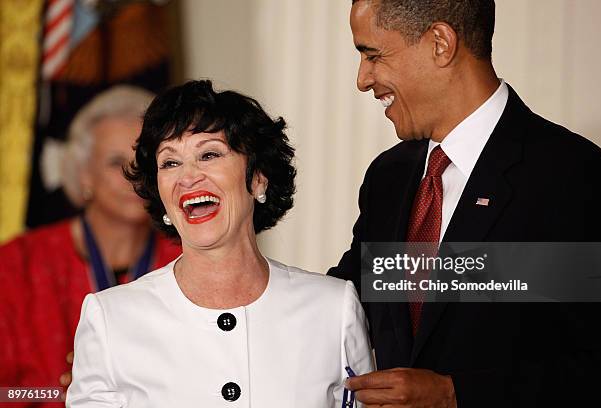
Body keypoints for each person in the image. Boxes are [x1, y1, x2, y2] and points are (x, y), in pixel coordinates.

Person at [329, 0, 601, 407]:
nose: (362, 79)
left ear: (440, 43)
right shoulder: (388, 177)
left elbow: (597, 363)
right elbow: (347, 302)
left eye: (373, 55)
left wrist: (455, 394)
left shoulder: (568, 175)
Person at [66, 79, 374, 407]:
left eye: (209, 154)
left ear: (258, 178)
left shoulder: (333, 307)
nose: (187, 177)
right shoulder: (110, 318)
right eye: (170, 162)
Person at [0, 86, 181, 403]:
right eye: (115, 162)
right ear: (84, 174)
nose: (135, 176)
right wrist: (65, 393)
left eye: (145, 161)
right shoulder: (18, 265)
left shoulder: (187, 260)